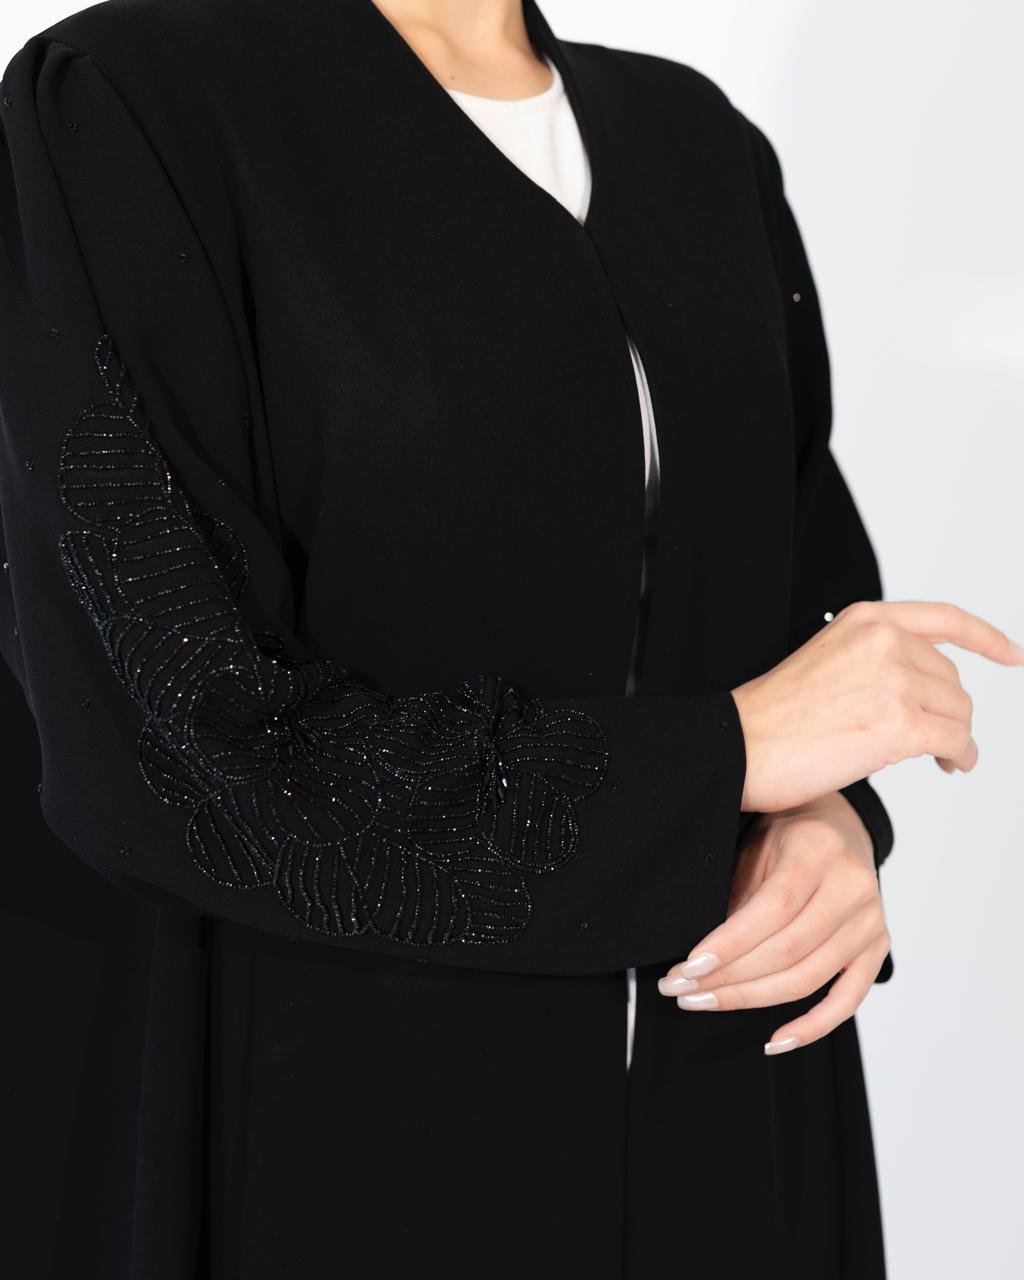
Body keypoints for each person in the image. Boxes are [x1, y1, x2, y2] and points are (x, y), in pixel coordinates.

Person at [0, 1, 1017, 1275]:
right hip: (325, 1123)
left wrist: (821, 817)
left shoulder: (692, 139)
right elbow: (175, 743)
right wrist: (726, 759)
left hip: (728, 1093)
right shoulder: (129, 102)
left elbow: (787, 603)